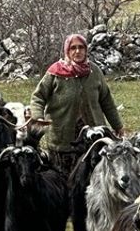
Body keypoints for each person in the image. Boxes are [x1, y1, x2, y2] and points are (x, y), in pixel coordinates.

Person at [29, 33, 124, 174]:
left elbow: (106, 100)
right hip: (62, 139)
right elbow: (38, 97)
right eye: (73, 48)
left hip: (93, 138)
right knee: (63, 178)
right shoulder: (55, 72)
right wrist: (38, 116)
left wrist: (117, 125)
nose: (77, 51)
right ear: (67, 50)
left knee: (92, 176)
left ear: (86, 50)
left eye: (81, 47)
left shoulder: (95, 71)